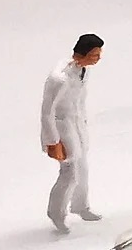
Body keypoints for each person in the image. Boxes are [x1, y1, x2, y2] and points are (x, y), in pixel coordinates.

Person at [40, 34, 104, 234]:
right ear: (82, 53)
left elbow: (80, 100)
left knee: (82, 169)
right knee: (70, 173)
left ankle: (81, 206)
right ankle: (56, 213)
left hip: (77, 125)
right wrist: (52, 142)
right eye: (94, 54)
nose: (98, 58)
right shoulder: (59, 79)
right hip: (62, 127)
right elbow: (47, 111)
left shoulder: (84, 71)